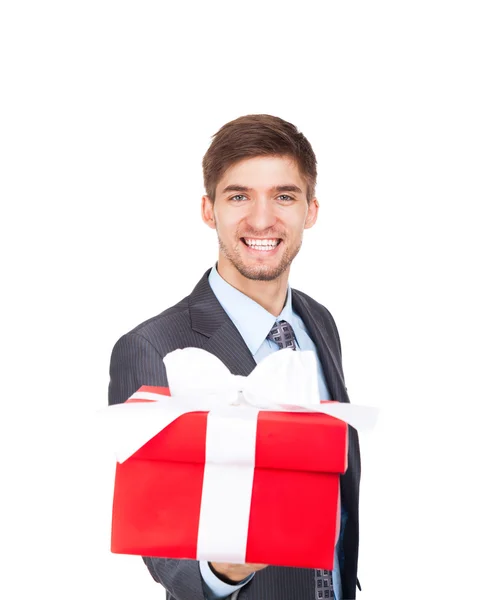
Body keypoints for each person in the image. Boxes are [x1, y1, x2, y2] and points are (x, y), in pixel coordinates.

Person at [108, 114, 361, 600]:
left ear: (311, 210)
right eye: (239, 195)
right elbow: (163, 555)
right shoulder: (150, 346)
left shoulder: (318, 322)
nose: (262, 219)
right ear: (209, 210)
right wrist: (224, 570)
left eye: (284, 196)